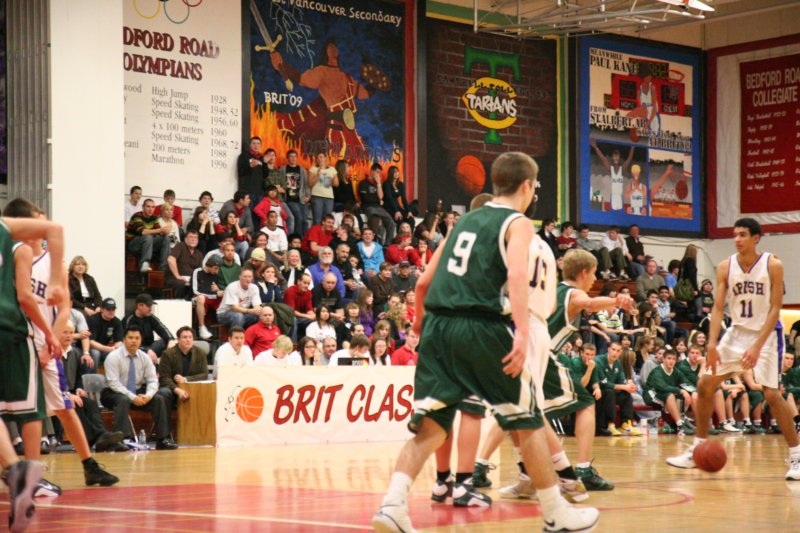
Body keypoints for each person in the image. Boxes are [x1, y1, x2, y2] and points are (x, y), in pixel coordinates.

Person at [371, 152, 598, 532]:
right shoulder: (517, 222)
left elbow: (425, 281)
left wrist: (421, 324)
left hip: (439, 327)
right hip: (481, 324)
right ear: (527, 186)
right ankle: (556, 511)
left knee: (431, 427)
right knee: (527, 419)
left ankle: (392, 505)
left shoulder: (463, 220)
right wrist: (522, 331)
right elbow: (517, 274)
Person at [667, 218, 800, 479]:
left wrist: (757, 346)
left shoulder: (772, 264)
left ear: (756, 238)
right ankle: (697, 449)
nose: (737, 239)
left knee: (772, 395)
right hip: (736, 332)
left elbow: (776, 308)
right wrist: (712, 344)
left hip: (767, 335)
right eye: (735, 234)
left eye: (743, 235)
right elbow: (718, 307)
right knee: (705, 384)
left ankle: (797, 456)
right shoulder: (726, 266)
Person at [100, 325, 178, 450]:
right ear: (124, 339)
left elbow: (152, 380)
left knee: (158, 399)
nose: (134, 341)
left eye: (137, 338)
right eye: (130, 338)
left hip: (137, 391)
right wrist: (132, 397)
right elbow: (113, 383)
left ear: (141, 340)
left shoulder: (145, 357)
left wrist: (148, 396)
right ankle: (123, 440)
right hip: (112, 392)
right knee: (123, 399)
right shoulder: (113, 357)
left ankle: (163, 439)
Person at [59, 321, 126, 453]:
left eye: (71, 333)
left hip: (71, 393)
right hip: (55, 395)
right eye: (65, 332)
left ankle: (102, 434)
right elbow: (50, 381)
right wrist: (67, 395)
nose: (68, 335)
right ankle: (97, 439)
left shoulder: (76, 353)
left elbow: (79, 376)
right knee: (75, 404)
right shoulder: (51, 354)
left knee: (90, 403)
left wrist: (78, 388)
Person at [158, 327, 209, 408]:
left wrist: (186, 379)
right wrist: (177, 390)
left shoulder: (200, 353)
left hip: (193, 388)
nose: (188, 340)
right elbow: (164, 378)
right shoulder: (168, 354)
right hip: (173, 389)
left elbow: (204, 374)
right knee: (164, 392)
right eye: (185, 337)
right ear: (178, 339)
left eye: (190, 337)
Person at [122, 293, 176, 364]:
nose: (151, 309)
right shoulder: (128, 320)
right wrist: (147, 350)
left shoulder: (151, 317)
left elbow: (162, 328)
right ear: (140, 306)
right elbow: (127, 342)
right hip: (136, 348)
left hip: (151, 347)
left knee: (166, 341)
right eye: (148, 306)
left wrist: (170, 340)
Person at [126, 198, 171, 273]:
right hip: (132, 245)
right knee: (148, 236)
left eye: (153, 207)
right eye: (148, 207)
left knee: (165, 238)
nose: (150, 209)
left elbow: (159, 232)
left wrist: (165, 231)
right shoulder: (136, 216)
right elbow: (143, 232)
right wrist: (160, 230)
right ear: (143, 207)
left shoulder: (154, 218)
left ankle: (164, 267)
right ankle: (145, 263)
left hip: (147, 244)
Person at [590, 140, 634, 212]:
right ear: (612, 157)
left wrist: (633, 147)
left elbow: (629, 159)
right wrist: (596, 148)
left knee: (620, 215)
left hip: (620, 197)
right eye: (614, 156)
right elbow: (603, 159)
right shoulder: (611, 169)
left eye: (617, 156)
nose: (616, 157)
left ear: (619, 157)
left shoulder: (622, 169)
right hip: (613, 196)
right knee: (612, 214)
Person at [358, 163, 395, 245]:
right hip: (368, 207)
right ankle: (376, 243)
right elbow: (365, 199)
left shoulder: (378, 184)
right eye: (377, 172)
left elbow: (381, 197)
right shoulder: (363, 183)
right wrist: (377, 200)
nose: (378, 175)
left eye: (380, 173)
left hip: (378, 208)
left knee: (391, 223)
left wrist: (378, 183)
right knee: (375, 219)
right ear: (372, 171)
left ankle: (387, 245)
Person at [165, 230, 203, 300]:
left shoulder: (199, 254)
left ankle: (190, 303)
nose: (193, 239)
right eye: (191, 237)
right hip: (174, 278)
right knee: (181, 283)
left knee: (200, 285)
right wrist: (177, 276)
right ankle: (179, 303)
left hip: (190, 280)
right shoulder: (180, 246)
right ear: (185, 239)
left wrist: (193, 280)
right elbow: (170, 260)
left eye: (195, 237)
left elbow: (199, 271)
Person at [86, 298, 123, 368]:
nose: (111, 312)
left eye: (113, 309)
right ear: (102, 309)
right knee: (95, 353)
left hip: (105, 349)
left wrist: (116, 348)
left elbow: (119, 341)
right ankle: (93, 374)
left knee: (117, 353)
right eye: (108, 309)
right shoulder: (93, 320)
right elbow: (91, 342)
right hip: (90, 348)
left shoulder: (117, 322)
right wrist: (108, 349)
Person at [282, 149, 310, 236]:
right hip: (290, 199)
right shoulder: (283, 169)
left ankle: (304, 239)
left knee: (305, 221)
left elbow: (306, 184)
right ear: (287, 158)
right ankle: (297, 239)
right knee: (299, 218)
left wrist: (308, 196)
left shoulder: (302, 170)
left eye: (295, 156)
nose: (293, 158)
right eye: (291, 156)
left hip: (301, 199)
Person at [308, 152, 339, 225]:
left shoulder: (332, 169)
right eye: (318, 157)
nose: (320, 159)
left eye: (321, 157)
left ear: (325, 158)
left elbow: (336, 184)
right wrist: (317, 176)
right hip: (317, 196)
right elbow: (310, 184)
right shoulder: (313, 169)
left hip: (329, 197)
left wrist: (331, 180)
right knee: (317, 220)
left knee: (327, 220)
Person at [237, 136, 266, 209]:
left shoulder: (261, 157)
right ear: (250, 145)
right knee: (248, 212)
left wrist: (265, 163)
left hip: (259, 192)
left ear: (260, 145)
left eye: (258, 143)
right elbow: (240, 172)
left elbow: (265, 174)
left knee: (258, 213)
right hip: (248, 191)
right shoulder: (244, 156)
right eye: (254, 143)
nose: (256, 145)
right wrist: (250, 166)